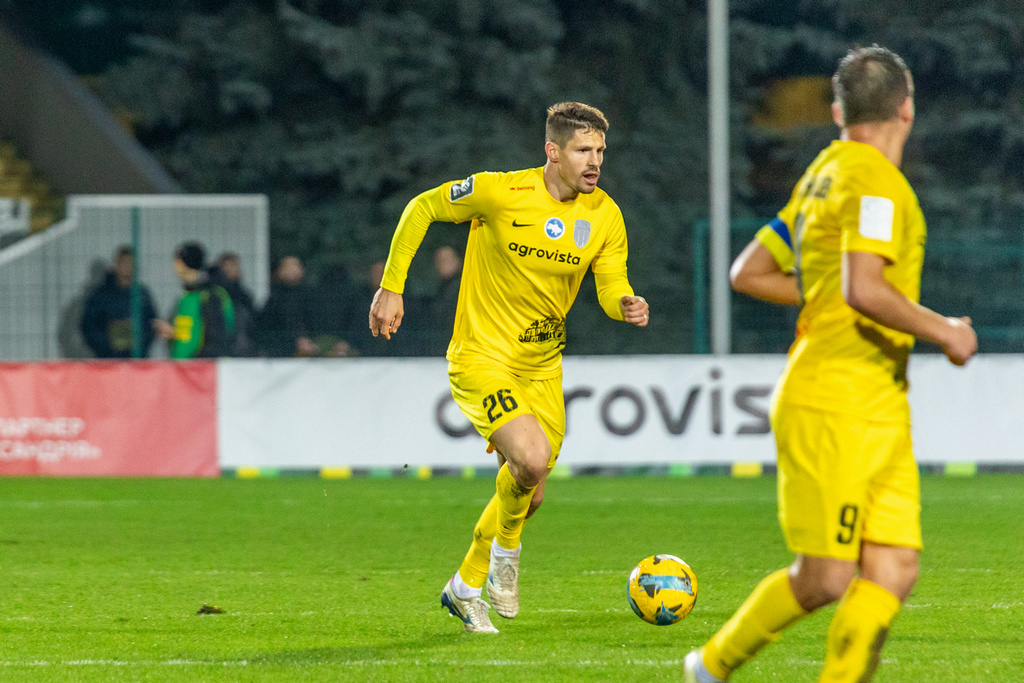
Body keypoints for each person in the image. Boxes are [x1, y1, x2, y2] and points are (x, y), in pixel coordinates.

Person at [684, 46, 978, 683]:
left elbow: (748, 272)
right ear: (907, 108)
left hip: (879, 402)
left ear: (840, 112)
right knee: (826, 578)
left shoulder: (822, 173)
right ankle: (708, 667)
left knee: (893, 567)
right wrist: (947, 331)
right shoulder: (876, 182)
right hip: (836, 399)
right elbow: (864, 288)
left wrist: (824, 290)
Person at [368, 102, 650, 633]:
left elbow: (611, 284)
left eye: (600, 151)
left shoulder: (605, 215)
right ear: (553, 152)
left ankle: (464, 587)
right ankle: (506, 559)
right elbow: (422, 207)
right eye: (583, 150)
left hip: (542, 367)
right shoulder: (501, 191)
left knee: (530, 487)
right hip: (481, 356)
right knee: (532, 457)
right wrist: (392, 286)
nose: (595, 161)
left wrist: (625, 304)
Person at [154, 242, 236, 359]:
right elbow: (188, 334)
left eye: (180, 266)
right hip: (183, 367)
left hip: (201, 367)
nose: (176, 271)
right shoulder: (186, 297)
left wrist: (199, 361)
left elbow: (217, 338)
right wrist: (172, 333)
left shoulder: (211, 296)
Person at [80, 245, 158, 358]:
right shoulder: (101, 294)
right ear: (116, 264)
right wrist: (107, 347)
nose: (127, 267)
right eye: (124, 262)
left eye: (131, 263)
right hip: (108, 361)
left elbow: (152, 324)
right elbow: (89, 326)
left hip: (136, 360)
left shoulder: (142, 294)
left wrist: (140, 345)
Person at [254, 255, 319, 357]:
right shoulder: (274, 300)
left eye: (295, 266)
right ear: (280, 272)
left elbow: (317, 325)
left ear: (302, 270)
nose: (291, 270)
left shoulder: (310, 297)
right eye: (287, 266)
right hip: (282, 357)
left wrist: (310, 342)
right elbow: (266, 330)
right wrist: (293, 343)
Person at [208, 252, 257, 356]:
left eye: (233, 266)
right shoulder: (212, 296)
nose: (230, 270)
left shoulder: (244, 297)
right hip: (218, 350)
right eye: (226, 267)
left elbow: (252, 324)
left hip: (242, 350)